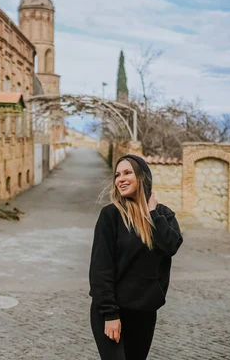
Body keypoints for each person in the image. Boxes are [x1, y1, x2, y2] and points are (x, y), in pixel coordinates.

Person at [89, 154, 183, 360]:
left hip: (143, 313)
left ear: (142, 177)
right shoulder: (111, 215)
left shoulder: (163, 215)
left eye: (127, 172)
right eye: (117, 175)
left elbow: (170, 246)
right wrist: (110, 314)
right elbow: (101, 268)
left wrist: (152, 213)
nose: (120, 178)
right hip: (111, 312)